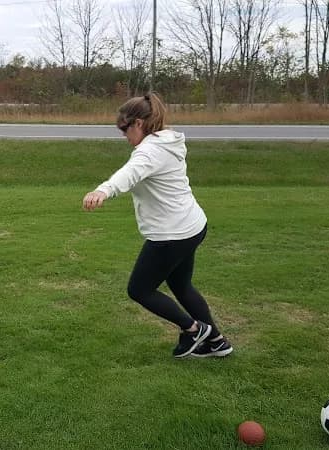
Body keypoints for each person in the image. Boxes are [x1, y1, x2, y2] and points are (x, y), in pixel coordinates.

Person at [82, 93, 233, 359]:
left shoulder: (150, 151)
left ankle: (194, 330)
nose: (123, 135)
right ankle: (217, 342)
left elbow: (130, 173)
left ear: (138, 123)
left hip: (172, 234)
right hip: (193, 225)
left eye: (124, 129)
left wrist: (103, 190)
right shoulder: (167, 141)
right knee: (182, 286)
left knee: (139, 289)